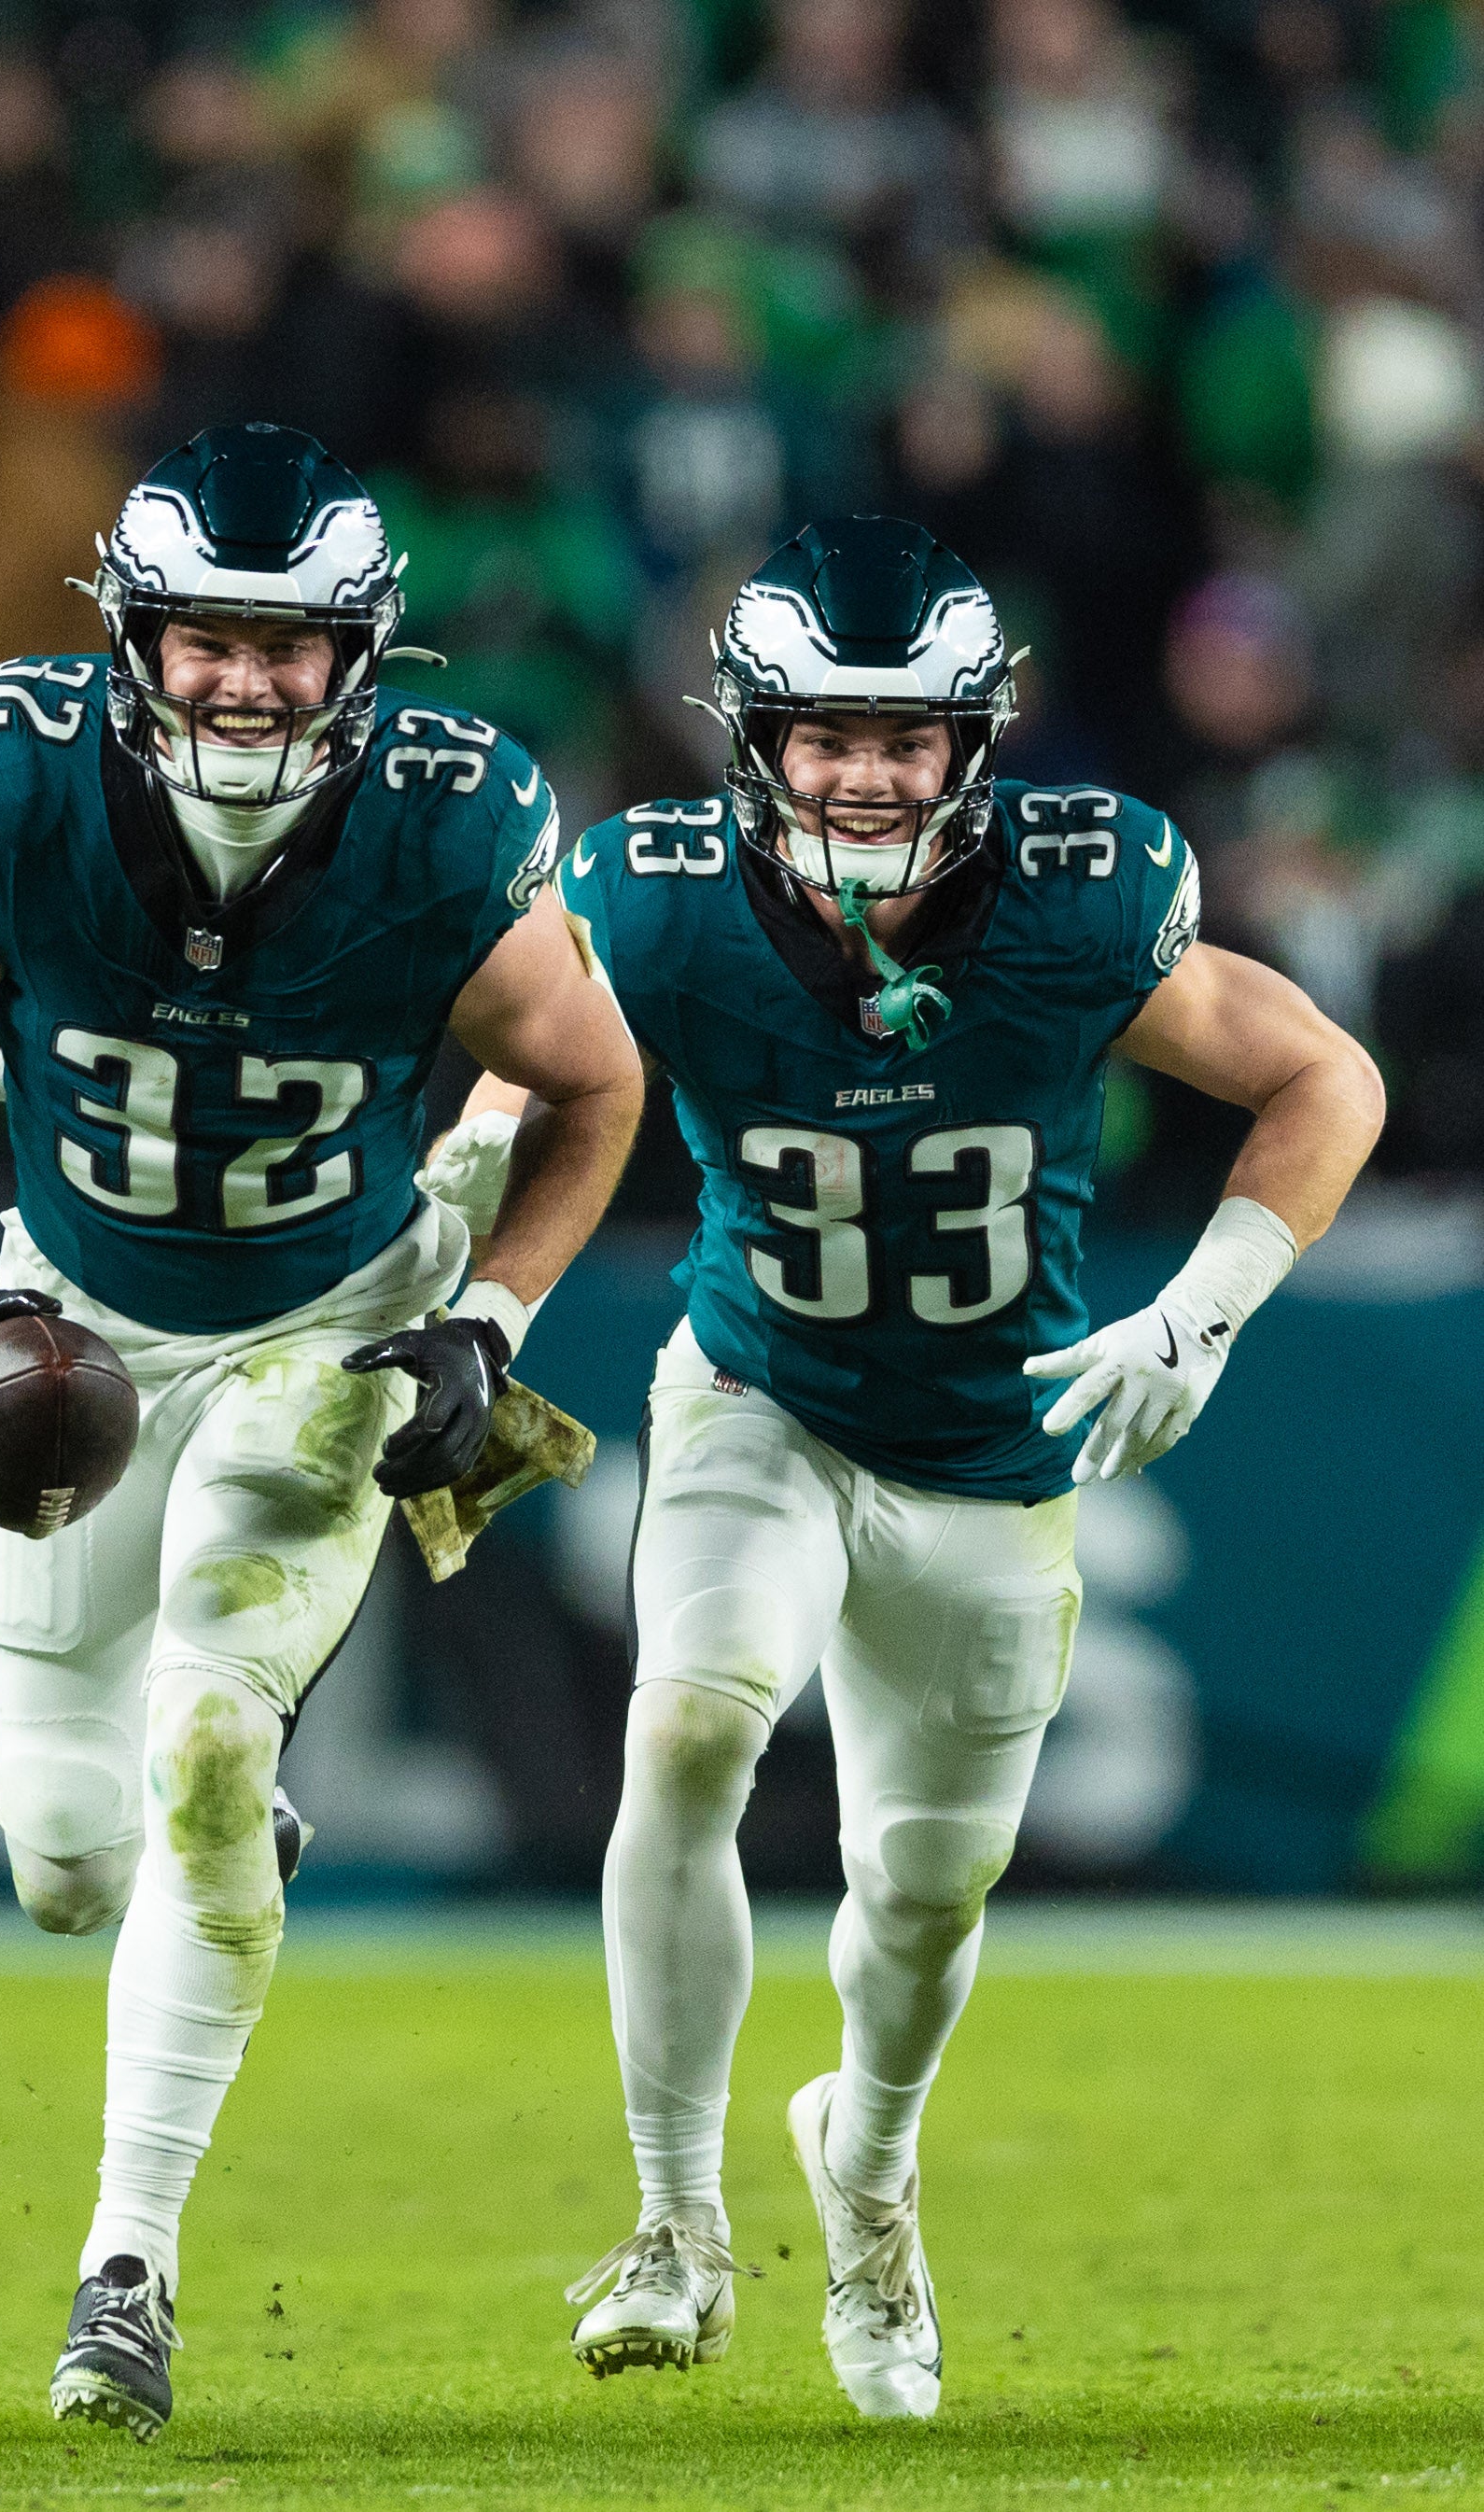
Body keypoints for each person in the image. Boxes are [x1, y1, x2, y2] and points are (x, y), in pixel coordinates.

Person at [0, 422, 643, 2440]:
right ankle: (216, 1829)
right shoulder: (7, 778)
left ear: (358, 659)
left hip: (324, 1331)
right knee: (66, 1866)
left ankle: (125, 2265)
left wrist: (484, 1310)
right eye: (203, 638)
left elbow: (586, 1086)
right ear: (129, 639)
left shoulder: (444, 824)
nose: (243, 681)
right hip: (74, 1333)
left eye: (284, 644)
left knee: (196, 1734)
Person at [500, 518, 1384, 2418]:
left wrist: (1202, 1307)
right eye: (823, 733)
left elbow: (1324, 1074)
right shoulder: (652, 900)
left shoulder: (1081, 899)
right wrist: (451, 1260)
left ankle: (869, 2174)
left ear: (972, 740)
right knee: (683, 1729)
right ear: (751, 738)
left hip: (990, 1449)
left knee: (916, 1899)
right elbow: (520, 1061)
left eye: (903, 735)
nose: (864, 770)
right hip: (760, 1395)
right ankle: (672, 2224)